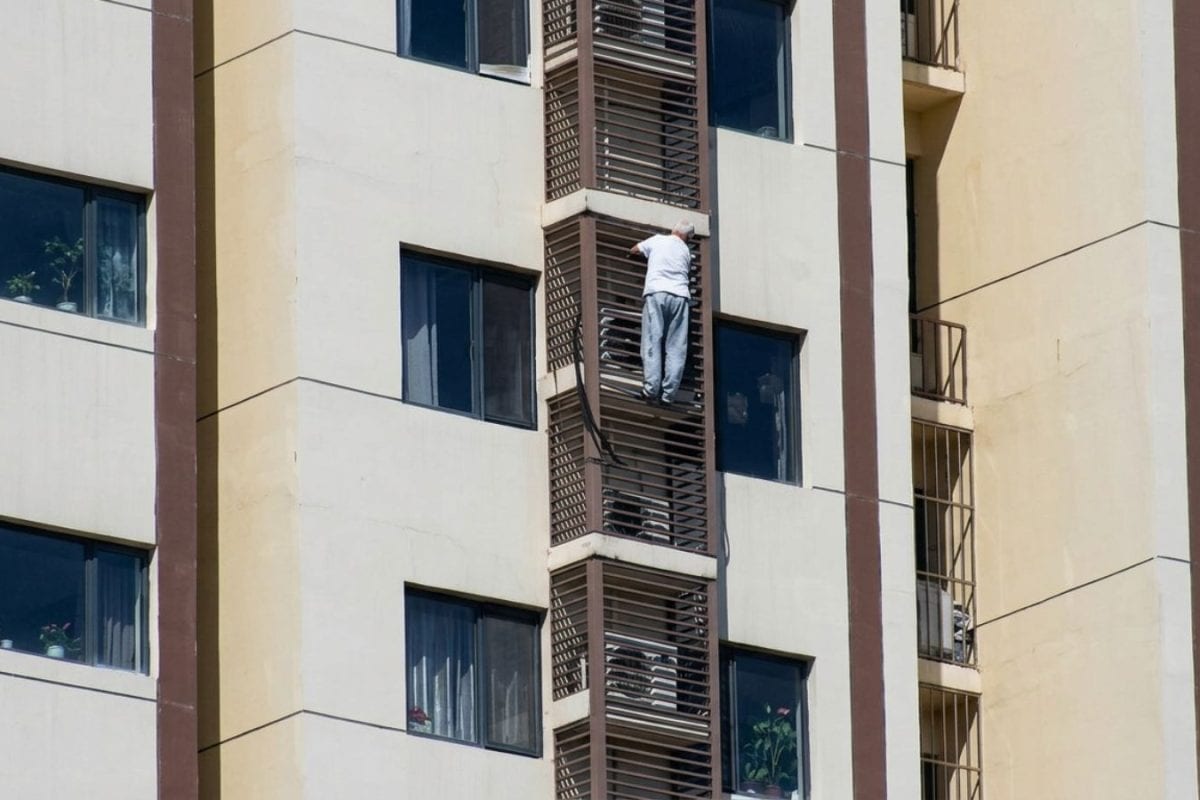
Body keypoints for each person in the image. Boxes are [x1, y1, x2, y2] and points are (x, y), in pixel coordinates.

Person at [628, 221, 694, 405]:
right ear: (687, 238)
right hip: (680, 297)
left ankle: (651, 390)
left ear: (674, 230)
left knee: (652, 340)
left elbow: (634, 250)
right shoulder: (686, 252)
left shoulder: (657, 240)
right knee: (676, 347)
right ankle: (668, 395)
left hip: (657, 292)